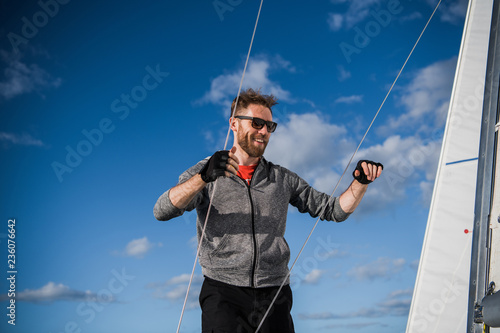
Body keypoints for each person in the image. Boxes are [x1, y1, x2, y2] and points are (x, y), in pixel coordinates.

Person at [153, 88, 383, 333]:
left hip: (274, 294)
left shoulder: (281, 178)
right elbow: (162, 210)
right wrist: (203, 177)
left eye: (269, 126)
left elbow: (334, 210)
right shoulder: (206, 171)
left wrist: (360, 182)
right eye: (257, 123)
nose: (264, 131)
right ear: (234, 123)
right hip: (223, 292)